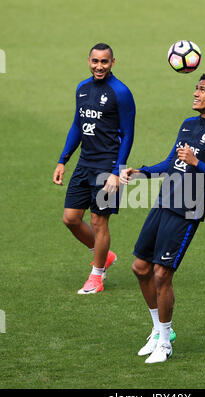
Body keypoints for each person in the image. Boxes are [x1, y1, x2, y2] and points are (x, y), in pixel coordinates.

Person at [120, 73, 205, 363]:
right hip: (163, 202)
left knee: (162, 274)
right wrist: (141, 172)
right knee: (139, 268)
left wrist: (198, 164)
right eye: (196, 88)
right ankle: (159, 330)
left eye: (202, 90)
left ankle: (165, 342)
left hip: (188, 209)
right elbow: (171, 162)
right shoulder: (187, 125)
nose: (196, 93)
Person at [53, 43, 135, 294]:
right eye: (95, 61)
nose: (99, 66)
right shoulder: (82, 88)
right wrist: (63, 160)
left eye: (105, 62)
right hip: (85, 163)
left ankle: (97, 276)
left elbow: (128, 134)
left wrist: (116, 172)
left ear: (113, 63)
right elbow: (77, 126)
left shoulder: (120, 92)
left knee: (99, 222)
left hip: (107, 165)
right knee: (71, 218)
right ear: (88, 61)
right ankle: (103, 255)